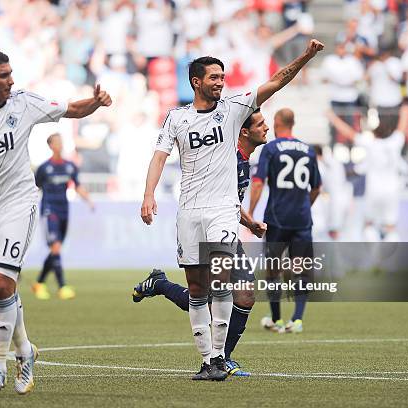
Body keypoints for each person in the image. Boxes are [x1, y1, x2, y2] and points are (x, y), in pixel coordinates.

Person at [140, 39, 324, 381]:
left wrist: (306, 57)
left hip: (223, 211)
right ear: (196, 81)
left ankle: (221, 357)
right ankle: (208, 360)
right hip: (189, 211)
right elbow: (159, 156)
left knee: (223, 280)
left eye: (222, 77)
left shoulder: (234, 109)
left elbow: (278, 80)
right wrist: (148, 194)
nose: (220, 82)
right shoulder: (177, 118)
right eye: (213, 77)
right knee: (196, 289)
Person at [0, 50, 111, 397]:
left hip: (19, 205)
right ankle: (25, 349)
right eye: (4, 75)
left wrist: (97, 102)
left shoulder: (24, 103)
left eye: (12, 73)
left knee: (1, 285)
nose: (12, 80)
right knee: (3, 288)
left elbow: (72, 110)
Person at [133, 109, 269, 378]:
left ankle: (221, 358)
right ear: (244, 131)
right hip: (204, 226)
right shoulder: (227, 157)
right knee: (208, 296)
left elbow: (229, 202)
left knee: (240, 294)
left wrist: (250, 223)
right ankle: (219, 357)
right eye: (261, 124)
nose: (266, 128)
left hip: (224, 228)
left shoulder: (243, 160)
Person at [249, 108, 321, 334]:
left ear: (277, 122)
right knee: (301, 269)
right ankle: (297, 320)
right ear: (294, 123)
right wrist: (304, 207)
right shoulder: (308, 150)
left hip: (277, 218)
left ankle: (277, 319)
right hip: (301, 219)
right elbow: (317, 187)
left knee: (273, 269)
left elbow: (259, 182)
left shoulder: (270, 148)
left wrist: (250, 215)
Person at [326, 104, 408, 242]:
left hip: (374, 189)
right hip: (392, 189)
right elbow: (402, 127)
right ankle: (391, 260)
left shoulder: (371, 143)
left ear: (376, 133)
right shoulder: (395, 142)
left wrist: (332, 118)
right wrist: (405, 111)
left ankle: (373, 258)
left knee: (369, 224)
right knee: (390, 227)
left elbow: (349, 133)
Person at [32, 133, 94, 300]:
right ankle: (62, 286)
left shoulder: (69, 166)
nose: (60, 145)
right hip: (49, 210)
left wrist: (88, 200)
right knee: (56, 248)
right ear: (50, 145)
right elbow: (34, 188)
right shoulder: (44, 168)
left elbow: (77, 185)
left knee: (55, 250)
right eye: (57, 142)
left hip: (64, 210)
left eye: (61, 142)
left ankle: (39, 283)